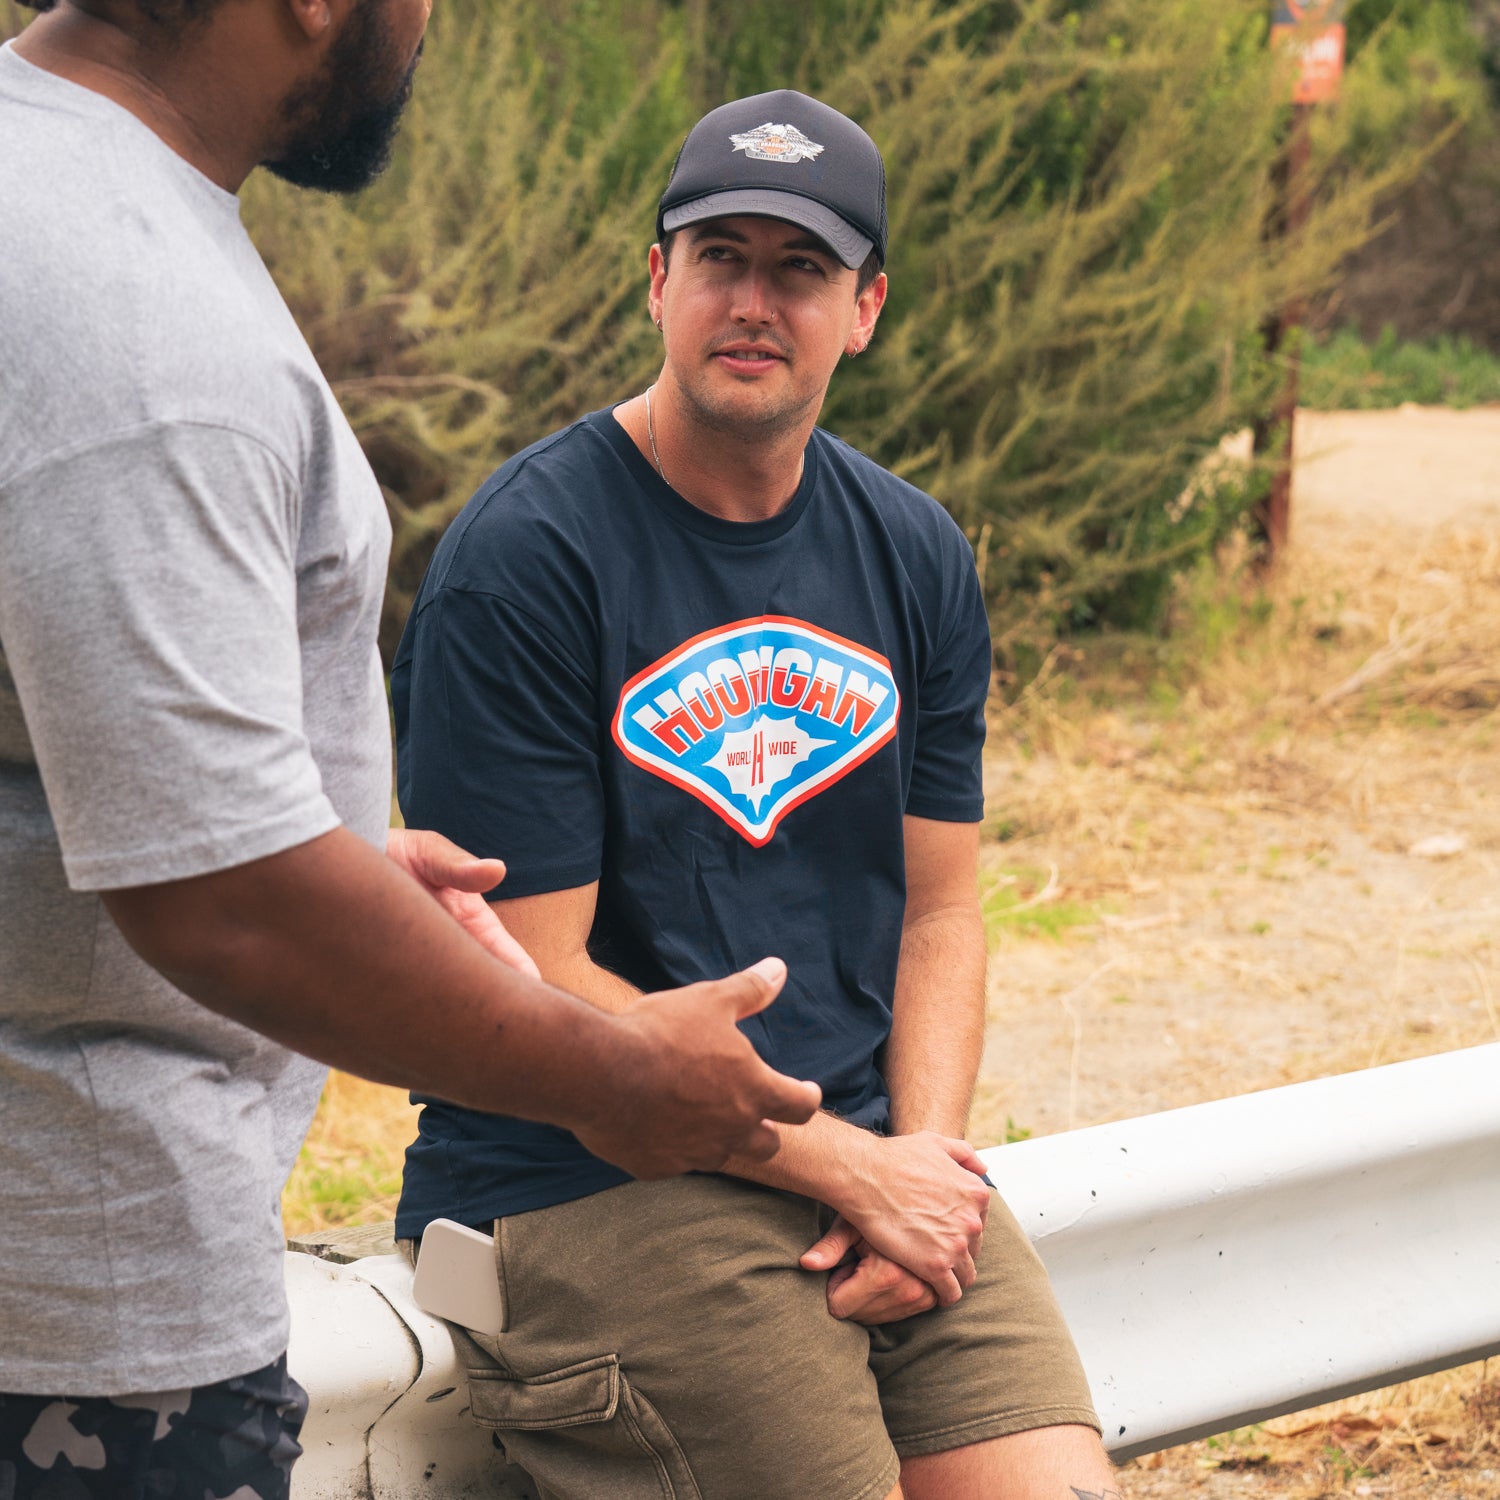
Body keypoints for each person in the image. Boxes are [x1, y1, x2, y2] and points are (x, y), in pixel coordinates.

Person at [0, 5, 823, 1493]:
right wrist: (613, 1075)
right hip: (74, 1327)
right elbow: (227, 903)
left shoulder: (47, 199)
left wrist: (327, 845)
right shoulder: (128, 304)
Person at [393, 90, 1122, 1500]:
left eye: (800, 268)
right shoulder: (528, 559)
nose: (752, 299)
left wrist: (918, 1164)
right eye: (718, 255)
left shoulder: (913, 554)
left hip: (857, 1150)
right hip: (591, 1182)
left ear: (867, 309)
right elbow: (530, 981)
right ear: (657, 280)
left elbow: (943, 910)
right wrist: (849, 1173)